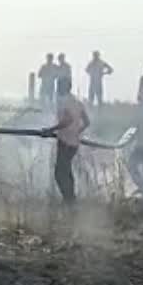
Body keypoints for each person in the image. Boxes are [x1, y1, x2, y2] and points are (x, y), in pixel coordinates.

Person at [42, 76, 89, 206]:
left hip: (65, 142)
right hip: (74, 143)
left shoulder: (65, 102)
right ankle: (71, 199)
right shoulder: (77, 102)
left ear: (65, 87)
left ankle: (69, 200)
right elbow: (87, 122)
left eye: (59, 86)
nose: (57, 88)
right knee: (67, 171)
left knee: (59, 173)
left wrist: (50, 130)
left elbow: (67, 121)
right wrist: (77, 132)